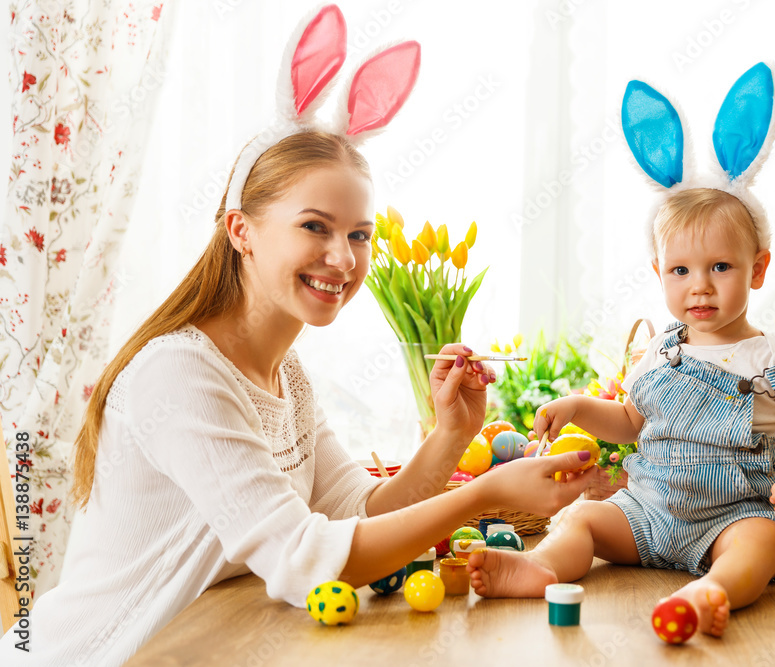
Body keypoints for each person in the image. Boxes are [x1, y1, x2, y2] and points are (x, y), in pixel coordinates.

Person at [0, 133, 597, 667]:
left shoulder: (288, 372)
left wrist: (450, 437)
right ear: (242, 231)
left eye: (359, 235)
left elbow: (357, 511)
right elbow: (306, 559)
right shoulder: (180, 374)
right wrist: (485, 491)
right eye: (315, 226)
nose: (343, 259)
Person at [469, 186, 775, 636]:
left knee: (765, 543)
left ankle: (711, 591)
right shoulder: (661, 350)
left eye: (720, 266)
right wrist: (577, 407)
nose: (699, 284)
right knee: (580, 518)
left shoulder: (772, 356)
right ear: (659, 272)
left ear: (757, 268)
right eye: (680, 270)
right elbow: (628, 423)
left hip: (732, 518)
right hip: (646, 511)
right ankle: (539, 566)